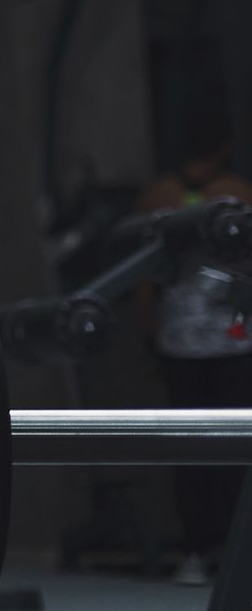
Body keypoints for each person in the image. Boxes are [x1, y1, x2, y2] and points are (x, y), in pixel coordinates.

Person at [132, 111, 252, 587]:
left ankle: (202, 552)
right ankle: (221, 551)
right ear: (223, 146)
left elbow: (143, 281)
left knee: (191, 448)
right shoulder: (243, 194)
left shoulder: (157, 196)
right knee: (238, 447)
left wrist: (149, 336)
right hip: (235, 344)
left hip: (180, 345)